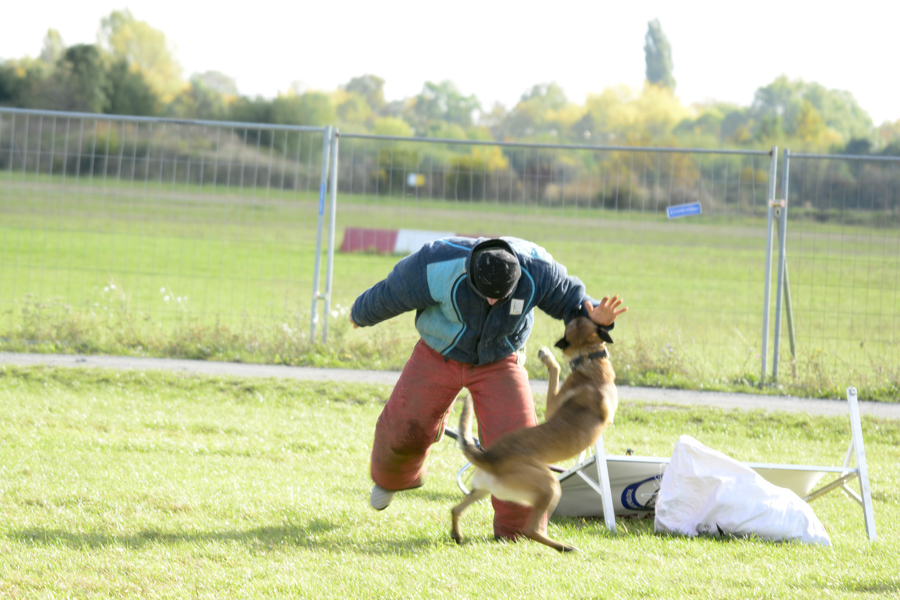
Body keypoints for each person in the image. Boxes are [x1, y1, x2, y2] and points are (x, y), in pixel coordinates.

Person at [349, 236, 627, 541]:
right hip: (438, 349)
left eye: (501, 297)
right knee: (405, 422)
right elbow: (393, 291)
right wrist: (360, 313)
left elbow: (573, 301)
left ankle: (517, 530)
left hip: (501, 355)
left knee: (520, 440)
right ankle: (391, 479)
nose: (493, 303)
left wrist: (594, 317)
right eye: (487, 296)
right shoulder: (437, 263)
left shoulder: (538, 269)